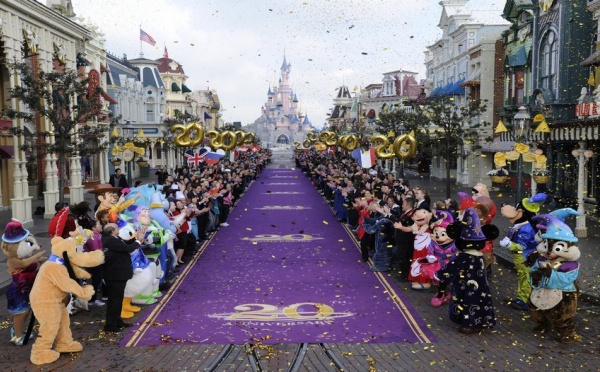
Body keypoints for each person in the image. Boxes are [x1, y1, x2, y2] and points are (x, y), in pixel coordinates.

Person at [101, 223, 147, 333]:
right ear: (112, 231)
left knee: (118, 299)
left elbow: (126, 244)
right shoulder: (110, 241)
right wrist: (138, 241)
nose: (119, 229)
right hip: (115, 275)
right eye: (117, 228)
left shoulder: (114, 238)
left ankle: (117, 321)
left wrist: (137, 238)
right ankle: (111, 325)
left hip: (118, 274)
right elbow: (128, 249)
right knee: (114, 300)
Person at [82, 220, 105, 306]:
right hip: (93, 262)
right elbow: (96, 250)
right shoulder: (92, 237)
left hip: (95, 261)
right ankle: (92, 299)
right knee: (96, 280)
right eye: (98, 224)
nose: (101, 226)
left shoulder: (96, 235)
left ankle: (92, 298)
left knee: (96, 279)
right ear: (93, 228)